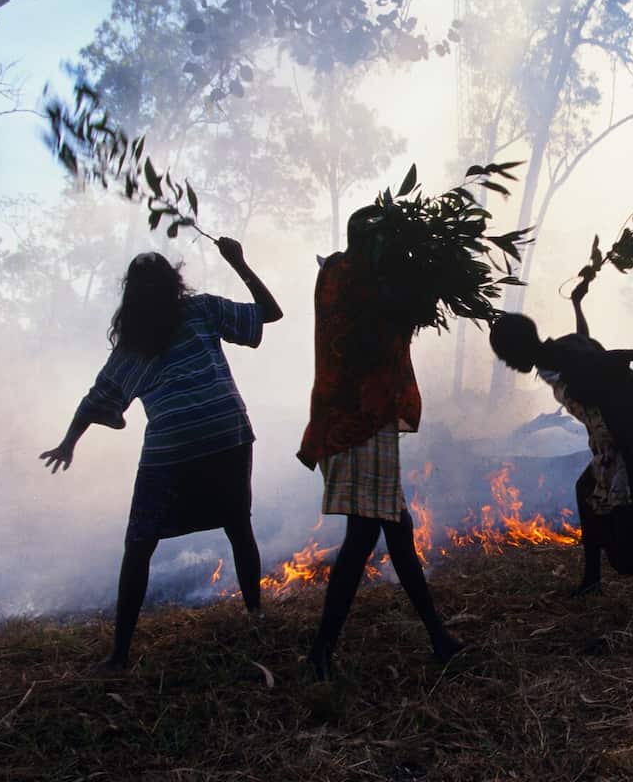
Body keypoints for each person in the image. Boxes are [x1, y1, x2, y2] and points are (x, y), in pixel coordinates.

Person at [41, 238, 282, 669]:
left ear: (130, 294)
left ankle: (119, 655)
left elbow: (98, 398)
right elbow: (270, 313)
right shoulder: (202, 309)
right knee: (237, 525)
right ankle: (256, 617)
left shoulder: (135, 344)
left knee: (139, 545)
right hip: (227, 432)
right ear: (175, 283)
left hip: (172, 449)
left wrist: (69, 442)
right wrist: (239, 262)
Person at [300, 206, 463, 679]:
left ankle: (437, 637)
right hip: (357, 424)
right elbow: (396, 312)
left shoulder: (344, 273)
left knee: (395, 529)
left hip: (356, 421)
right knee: (366, 536)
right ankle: (322, 651)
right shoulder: (361, 285)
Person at [489, 280, 633, 626]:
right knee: (586, 489)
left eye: (504, 355)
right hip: (629, 416)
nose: (505, 363)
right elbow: (588, 344)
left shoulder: (559, 357)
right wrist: (577, 304)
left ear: (517, 349)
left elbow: (603, 361)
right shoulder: (558, 351)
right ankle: (592, 578)